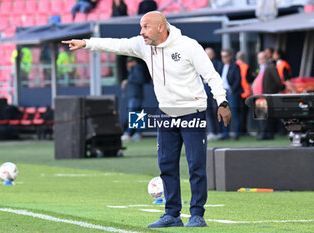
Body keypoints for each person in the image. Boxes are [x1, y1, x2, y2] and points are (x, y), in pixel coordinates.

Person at [62, 11, 231, 228]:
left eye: (145, 27)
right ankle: (172, 214)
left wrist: (222, 102)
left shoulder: (188, 46)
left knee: (195, 165)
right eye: (141, 27)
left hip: (192, 111)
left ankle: (197, 215)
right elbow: (117, 45)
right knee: (166, 164)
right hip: (165, 113)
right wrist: (86, 43)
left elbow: (211, 75)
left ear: (161, 27)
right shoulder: (143, 45)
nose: (141, 32)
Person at [218, 49, 243, 140]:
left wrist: (233, 89)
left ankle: (237, 133)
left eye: (225, 56)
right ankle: (225, 134)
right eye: (222, 56)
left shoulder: (235, 66)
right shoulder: (221, 66)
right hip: (223, 93)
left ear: (230, 56)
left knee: (234, 113)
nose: (224, 58)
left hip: (231, 92)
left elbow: (238, 79)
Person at [121, 57, 146, 142]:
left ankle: (129, 133)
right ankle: (137, 133)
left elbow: (140, 80)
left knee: (133, 113)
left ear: (134, 62)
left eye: (130, 62)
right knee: (137, 114)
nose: (128, 64)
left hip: (135, 95)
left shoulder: (137, 68)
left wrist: (128, 81)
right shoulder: (133, 69)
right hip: (134, 95)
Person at [204, 47, 222, 141]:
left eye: (209, 54)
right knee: (208, 114)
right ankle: (212, 132)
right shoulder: (202, 64)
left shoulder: (218, 64)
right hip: (205, 93)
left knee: (216, 113)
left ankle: (218, 132)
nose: (207, 56)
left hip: (215, 93)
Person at [236, 51, 253, 135]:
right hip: (245, 93)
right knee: (244, 114)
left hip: (236, 93)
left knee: (237, 113)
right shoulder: (246, 66)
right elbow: (249, 79)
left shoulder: (233, 65)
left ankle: (239, 131)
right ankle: (243, 131)